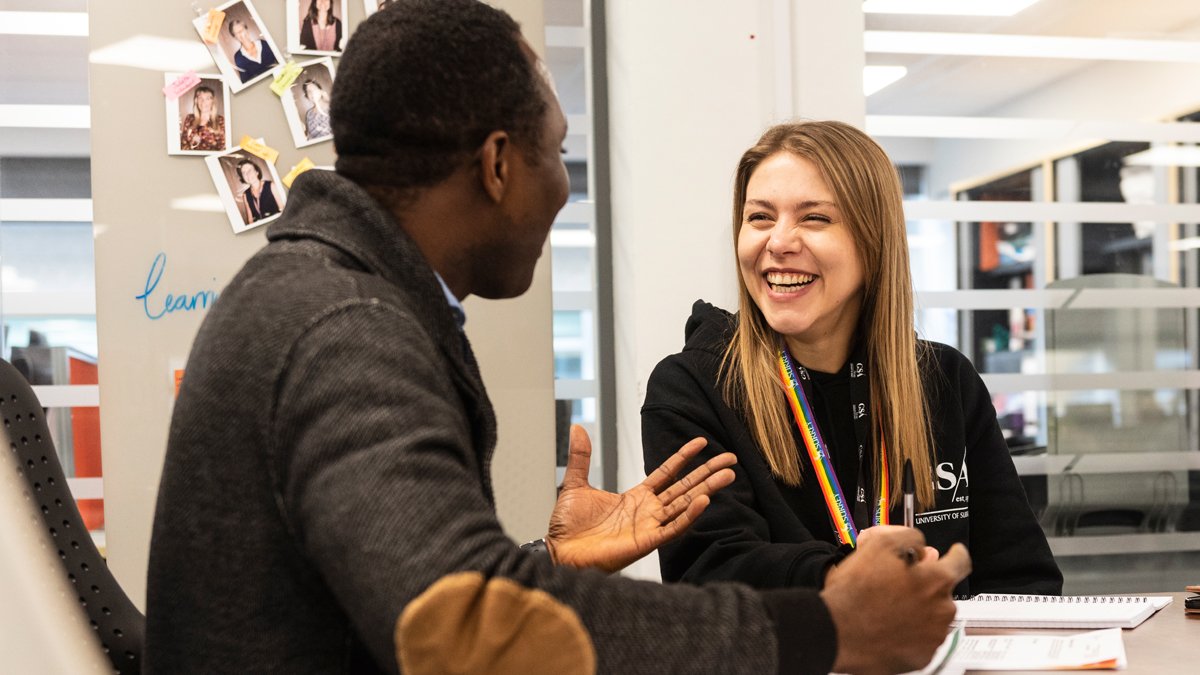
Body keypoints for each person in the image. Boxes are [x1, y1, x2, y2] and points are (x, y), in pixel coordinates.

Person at [144, 3, 971, 674]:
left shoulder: (330, 295)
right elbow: (465, 628)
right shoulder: (344, 329)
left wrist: (550, 561)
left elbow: (411, 593)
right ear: (499, 165)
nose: (565, 190)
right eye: (559, 153)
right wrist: (826, 628)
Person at [642, 121, 1062, 599]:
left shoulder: (945, 381)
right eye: (759, 217)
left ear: (873, 239)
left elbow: (1024, 579)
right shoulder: (691, 388)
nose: (778, 242)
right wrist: (853, 574)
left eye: (814, 218)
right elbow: (712, 575)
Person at [227, 17, 278, 83]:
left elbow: (279, 62)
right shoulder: (238, 57)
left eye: (242, 30)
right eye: (237, 33)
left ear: (247, 30)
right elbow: (245, 81)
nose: (241, 34)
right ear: (235, 37)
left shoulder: (264, 43)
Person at [234, 158, 284, 223]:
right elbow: (250, 219)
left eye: (250, 170)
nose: (247, 174)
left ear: (256, 172)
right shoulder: (245, 195)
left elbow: (283, 210)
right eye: (244, 173)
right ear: (242, 177)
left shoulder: (272, 186)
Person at [179, 85, 225, 152]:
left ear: (212, 101)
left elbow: (223, 148)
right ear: (196, 101)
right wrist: (192, 144)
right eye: (200, 98)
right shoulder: (189, 118)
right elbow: (183, 145)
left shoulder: (220, 120)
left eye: (207, 98)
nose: (203, 102)